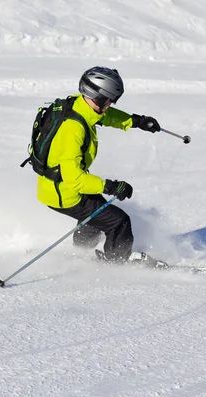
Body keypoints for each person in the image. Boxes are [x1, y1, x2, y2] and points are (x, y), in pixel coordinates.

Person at [36, 66, 161, 265]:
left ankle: (82, 250)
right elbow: (74, 178)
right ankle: (117, 263)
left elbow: (106, 116)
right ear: (99, 97)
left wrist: (136, 121)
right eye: (109, 99)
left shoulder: (80, 106)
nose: (111, 104)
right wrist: (110, 186)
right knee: (119, 222)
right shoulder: (73, 130)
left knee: (97, 214)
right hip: (65, 192)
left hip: (55, 186)